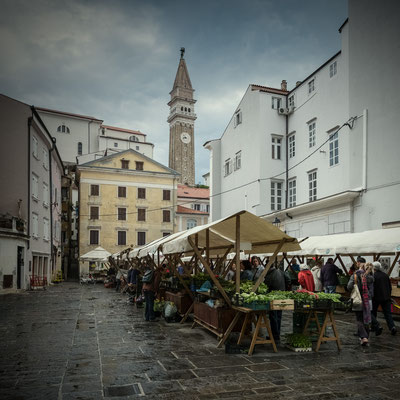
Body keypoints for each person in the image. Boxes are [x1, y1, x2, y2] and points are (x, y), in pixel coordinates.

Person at [347, 259, 374, 346]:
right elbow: (372, 291)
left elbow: (349, 286)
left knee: (359, 319)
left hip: (358, 300)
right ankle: (364, 337)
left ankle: (364, 337)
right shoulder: (370, 277)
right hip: (368, 301)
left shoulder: (355, 275)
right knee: (366, 319)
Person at [264, 265, 290, 344]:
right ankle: (277, 334)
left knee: (273, 316)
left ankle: (275, 336)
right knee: (279, 315)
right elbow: (288, 279)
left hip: (273, 296)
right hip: (281, 295)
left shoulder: (270, 274)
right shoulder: (281, 271)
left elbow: (266, 286)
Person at [371, 261, 397, 336]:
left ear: (373, 268)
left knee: (373, 312)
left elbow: (373, 288)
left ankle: (375, 326)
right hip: (386, 297)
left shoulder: (373, 276)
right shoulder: (385, 275)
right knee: (388, 314)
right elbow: (389, 287)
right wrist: (389, 296)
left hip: (376, 297)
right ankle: (392, 327)